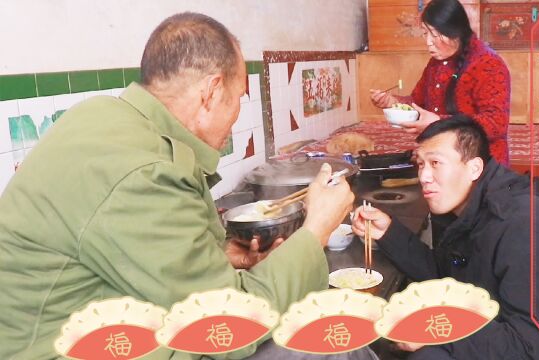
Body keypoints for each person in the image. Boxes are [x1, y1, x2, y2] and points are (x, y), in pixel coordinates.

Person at [0, 13, 377, 360]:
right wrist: (317, 229)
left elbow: (130, 249)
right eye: (238, 98)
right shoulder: (143, 171)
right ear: (211, 92)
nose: (235, 116)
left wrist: (220, 254)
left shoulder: (103, 118)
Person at [351, 115, 539, 359]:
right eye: (420, 164)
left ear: (474, 168)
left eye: (435, 163)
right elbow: (447, 274)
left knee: (428, 354)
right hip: (508, 327)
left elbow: (529, 346)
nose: (423, 176)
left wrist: (438, 327)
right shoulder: (470, 207)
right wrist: (388, 233)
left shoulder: (521, 223)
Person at [369, 0, 511, 165]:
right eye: (425, 33)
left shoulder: (488, 64)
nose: (428, 42)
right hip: (445, 158)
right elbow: (417, 102)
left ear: (455, 32)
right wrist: (393, 102)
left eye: (435, 35)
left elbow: (495, 124)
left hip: (480, 165)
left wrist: (439, 123)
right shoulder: (435, 63)